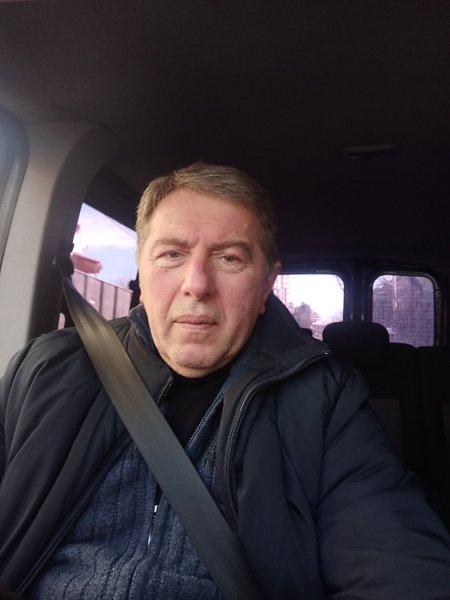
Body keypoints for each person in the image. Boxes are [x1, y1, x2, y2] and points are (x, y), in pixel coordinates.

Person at [0, 162, 449, 599]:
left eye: (229, 258)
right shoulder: (46, 369)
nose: (197, 284)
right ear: (142, 270)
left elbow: (398, 564)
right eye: (171, 254)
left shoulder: (326, 399)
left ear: (266, 286)